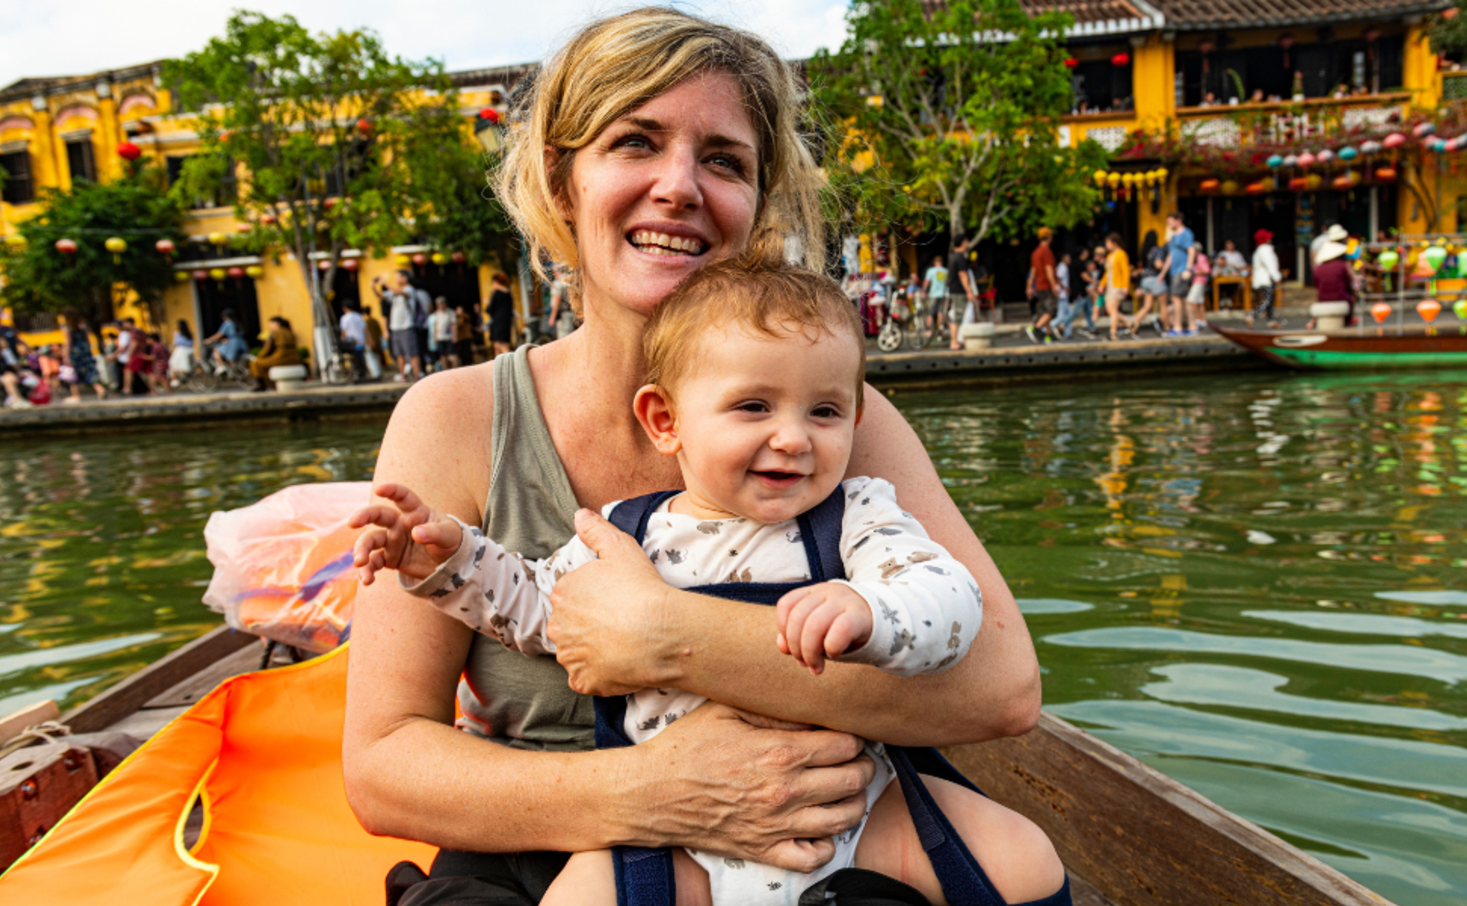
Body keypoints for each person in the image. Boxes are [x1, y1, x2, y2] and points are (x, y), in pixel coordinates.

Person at [344, 10, 1043, 905]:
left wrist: (668, 639)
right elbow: (382, 766)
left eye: (724, 160)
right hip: (548, 842)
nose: (679, 187)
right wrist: (658, 794)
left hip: (827, 827)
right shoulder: (454, 417)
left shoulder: (839, 425)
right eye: (635, 142)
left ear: (757, 203)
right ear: (561, 180)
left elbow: (1001, 687)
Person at [374, 272, 423, 381]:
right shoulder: (394, 292)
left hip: (407, 326)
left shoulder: (410, 289)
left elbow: (399, 292)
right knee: (399, 354)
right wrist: (373, 287)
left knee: (412, 353)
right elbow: (381, 296)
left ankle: (417, 375)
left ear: (405, 278)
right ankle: (402, 376)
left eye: (397, 276)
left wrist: (385, 283)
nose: (396, 279)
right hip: (395, 327)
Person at [1312, 234, 1358, 329]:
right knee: (1350, 297)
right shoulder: (1341, 265)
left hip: (1322, 298)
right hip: (1340, 297)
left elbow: (1316, 283)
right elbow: (1348, 282)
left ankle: (1314, 320)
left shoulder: (1318, 268)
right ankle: (1348, 320)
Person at [248, 316, 302, 391]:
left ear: (276, 323)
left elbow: (267, 349)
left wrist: (259, 356)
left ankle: (261, 385)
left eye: (271, 324)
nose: (270, 326)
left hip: (281, 358)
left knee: (255, 363)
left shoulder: (275, 332)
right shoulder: (290, 332)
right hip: (295, 358)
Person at [1024, 227, 1059, 343]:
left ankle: (1049, 333)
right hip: (1046, 285)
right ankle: (1036, 328)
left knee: (1044, 311)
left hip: (1038, 286)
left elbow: (1032, 271)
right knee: (1051, 310)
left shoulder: (1035, 252)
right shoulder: (1046, 251)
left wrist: (1029, 287)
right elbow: (1049, 270)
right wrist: (1054, 286)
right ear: (1050, 237)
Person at [1163, 214, 1195, 336]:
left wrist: (1188, 269)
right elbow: (1170, 256)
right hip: (1174, 271)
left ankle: (1177, 327)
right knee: (1183, 299)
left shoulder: (1185, 233)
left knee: (1175, 298)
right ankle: (1192, 326)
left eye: (1170, 221)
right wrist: (1163, 273)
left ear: (1178, 221)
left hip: (1182, 270)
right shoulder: (1173, 236)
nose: (1168, 224)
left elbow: (1191, 251)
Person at [948, 235, 979, 349]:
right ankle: (954, 342)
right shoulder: (960, 257)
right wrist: (969, 291)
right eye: (966, 241)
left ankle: (960, 340)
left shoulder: (952, 256)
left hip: (954, 290)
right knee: (957, 316)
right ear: (962, 242)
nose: (968, 243)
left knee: (960, 315)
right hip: (959, 291)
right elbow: (963, 275)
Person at [65, 320, 107, 402]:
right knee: (90, 372)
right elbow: (88, 340)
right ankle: (100, 390)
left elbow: (68, 343)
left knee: (73, 374)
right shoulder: (83, 329)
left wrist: (66, 355)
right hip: (85, 352)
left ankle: (75, 396)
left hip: (75, 353)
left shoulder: (69, 330)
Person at [1102, 232, 1133, 341]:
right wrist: (1102, 284)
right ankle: (1129, 324)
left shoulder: (1121, 254)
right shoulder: (1110, 256)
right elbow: (1107, 272)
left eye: (1108, 243)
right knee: (1110, 309)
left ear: (1114, 243)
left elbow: (1125, 271)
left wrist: (1125, 286)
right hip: (1110, 285)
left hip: (1118, 285)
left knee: (1113, 309)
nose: (1106, 245)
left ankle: (1113, 333)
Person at [1249, 228, 1283, 327]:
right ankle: (1252, 317)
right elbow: (1270, 264)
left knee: (1269, 300)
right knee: (1268, 300)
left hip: (1261, 279)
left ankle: (1271, 321)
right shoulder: (1265, 250)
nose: (1270, 239)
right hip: (1265, 279)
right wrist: (1276, 277)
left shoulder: (1259, 250)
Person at [1135, 232, 1166, 335]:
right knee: (1163, 306)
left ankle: (1134, 325)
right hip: (1155, 279)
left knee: (1147, 306)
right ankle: (1167, 328)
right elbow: (1158, 265)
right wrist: (1167, 265)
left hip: (1145, 280)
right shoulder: (1156, 250)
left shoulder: (1145, 251)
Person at [203, 310, 250, 376]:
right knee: (233, 357)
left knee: (217, 350)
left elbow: (219, 334)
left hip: (233, 343)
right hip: (241, 342)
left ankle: (221, 366)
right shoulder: (237, 323)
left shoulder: (227, 323)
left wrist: (209, 340)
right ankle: (234, 372)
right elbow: (236, 334)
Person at [339, 300, 373, 379]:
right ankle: (363, 373)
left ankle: (356, 373)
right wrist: (369, 339)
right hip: (361, 340)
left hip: (351, 341)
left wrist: (342, 339)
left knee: (352, 358)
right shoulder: (358, 316)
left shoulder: (344, 318)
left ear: (345, 308)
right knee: (361, 357)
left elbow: (344, 331)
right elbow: (365, 329)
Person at [486, 272, 517, 356]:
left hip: (498, 322)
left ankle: (513, 362)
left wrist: (488, 303)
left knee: (500, 346)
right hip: (506, 322)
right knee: (497, 345)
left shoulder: (496, 293)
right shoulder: (508, 293)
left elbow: (490, 309)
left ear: (496, 282)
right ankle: (500, 367)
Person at [1183, 240, 1211, 334]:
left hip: (1199, 281)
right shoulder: (1194, 258)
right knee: (1199, 301)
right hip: (1196, 281)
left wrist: (1194, 273)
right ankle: (1202, 320)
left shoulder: (1201, 257)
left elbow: (1206, 270)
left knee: (1191, 300)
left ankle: (1194, 319)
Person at [427, 297, 458, 371]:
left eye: (441, 304)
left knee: (452, 354)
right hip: (440, 337)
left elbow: (454, 325)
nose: (440, 306)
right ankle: (445, 370)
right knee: (442, 355)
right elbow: (436, 326)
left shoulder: (450, 312)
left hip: (449, 337)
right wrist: (435, 337)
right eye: (438, 304)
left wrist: (455, 335)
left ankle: (455, 370)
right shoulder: (437, 313)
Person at [922, 255, 948, 338]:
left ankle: (929, 331)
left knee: (930, 312)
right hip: (944, 294)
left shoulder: (931, 270)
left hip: (933, 294)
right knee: (941, 312)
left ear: (934, 262)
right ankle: (939, 331)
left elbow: (927, 282)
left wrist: (924, 291)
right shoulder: (946, 271)